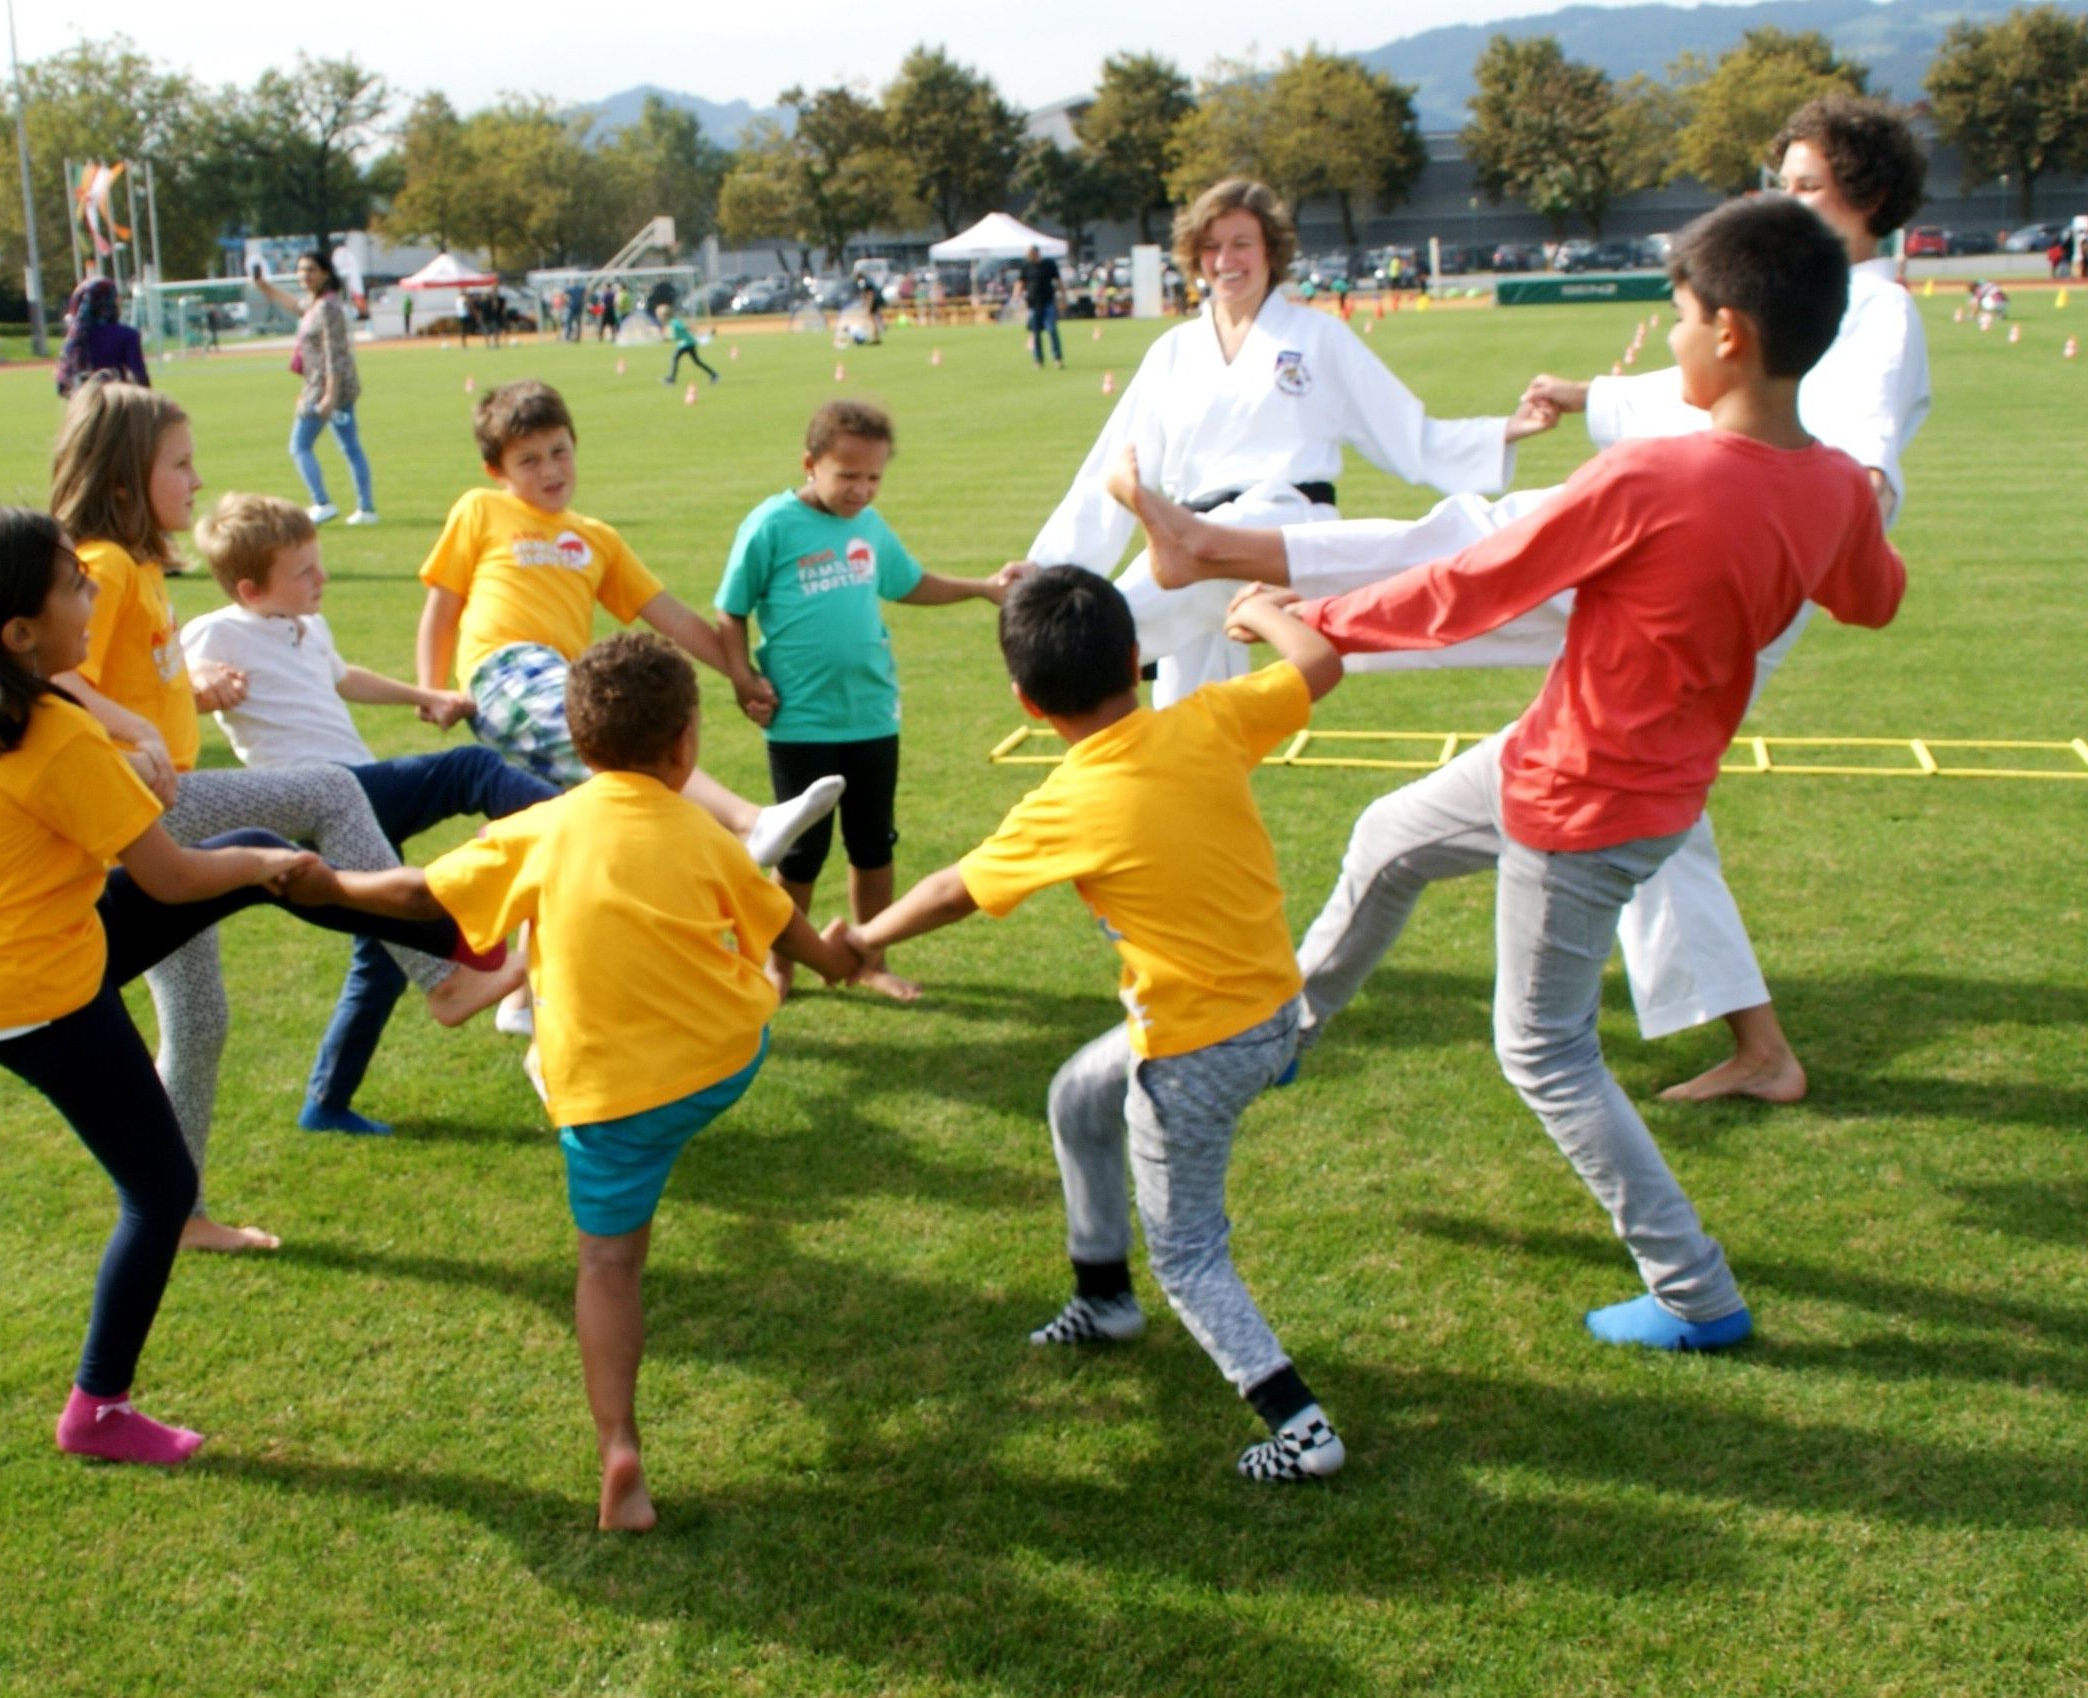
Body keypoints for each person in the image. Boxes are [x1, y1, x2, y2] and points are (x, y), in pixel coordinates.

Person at [1123, 93, 1933, 1106]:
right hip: (1696, 569)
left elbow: (1852, 475)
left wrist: (1311, 624)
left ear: (1866, 200)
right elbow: (1789, 466)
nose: (1784, 201)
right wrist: (1603, 403)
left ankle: (1221, 549)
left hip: (1695, 573)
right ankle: (1758, 1048)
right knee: (1618, 806)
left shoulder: (1869, 319)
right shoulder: (1779, 359)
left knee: (1478, 549)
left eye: (1806, 187)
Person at [1203, 195, 1907, 1351]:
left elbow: (1468, 589)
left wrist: (1303, 618)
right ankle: (1284, 1036)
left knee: (1543, 1052)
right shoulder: (1831, 486)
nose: (1670, 336)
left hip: (1580, 804)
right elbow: (1876, 598)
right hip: (1591, 768)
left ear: (1729, 332)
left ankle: (1695, 1293)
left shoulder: (1656, 476)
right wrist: (1843, 516)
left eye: (1677, 317)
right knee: (1388, 837)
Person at [0, 508, 475, 1465]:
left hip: (46, 950)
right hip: (39, 999)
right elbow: (171, 877)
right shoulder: (47, 732)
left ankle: (454, 957)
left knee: (250, 842)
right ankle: (96, 1411)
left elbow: (125, 796)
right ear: (20, 630)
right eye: (73, 587)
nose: (92, 596)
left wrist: (187, 804)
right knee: (161, 1189)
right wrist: (261, 871)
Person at [287, 633, 861, 1529]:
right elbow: (783, 923)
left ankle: (618, 1449)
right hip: (717, 1060)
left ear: (579, 742)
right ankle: (520, 1001)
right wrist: (834, 961)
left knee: (608, 1263)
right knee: (583, 980)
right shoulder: (707, 835)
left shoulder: (541, 827)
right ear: (685, 743)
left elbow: (420, 893)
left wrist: (333, 886)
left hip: (608, 1096)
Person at [839, 567, 1350, 1483]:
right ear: (1135, 656)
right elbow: (1320, 664)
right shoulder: (1209, 719)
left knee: (1188, 1256)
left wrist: (862, 939)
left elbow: (953, 888)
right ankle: (1103, 1299)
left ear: (1026, 703)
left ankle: (1303, 1431)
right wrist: (1260, 611)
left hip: (1195, 1049)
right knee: (1078, 1096)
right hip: (1272, 1009)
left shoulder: (1067, 801)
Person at [49, 381, 514, 1252]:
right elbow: (52, 674)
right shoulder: (103, 565)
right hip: (143, 813)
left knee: (199, 1021)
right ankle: (442, 975)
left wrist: (175, 701)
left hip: (157, 818)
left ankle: (176, 1214)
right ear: (122, 481)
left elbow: (133, 680)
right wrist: (134, 730)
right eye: (179, 464)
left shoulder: (137, 568)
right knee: (330, 790)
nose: (195, 480)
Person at [1015, 178, 1552, 707]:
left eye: (1241, 243)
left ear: (1270, 250)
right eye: (1212, 246)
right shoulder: (1173, 351)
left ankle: (1058, 665)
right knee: (1189, 712)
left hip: (1285, 524)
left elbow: (1406, 431)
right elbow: (1113, 468)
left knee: (1111, 624)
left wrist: (1501, 431)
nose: (1226, 260)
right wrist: (1047, 567)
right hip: (1190, 530)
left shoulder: (1318, 337)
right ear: (1195, 256)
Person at [182, 492, 561, 1134]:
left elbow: (342, 677)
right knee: (468, 770)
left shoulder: (309, 626)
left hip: (357, 804)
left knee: (383, 958)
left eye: (318, 563)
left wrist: (424, 694)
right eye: (304, 571)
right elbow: (178, 676)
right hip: (313, 797)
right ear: (249, 590)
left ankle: (325, 1104)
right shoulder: (217, 632)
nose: (322, 577)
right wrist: (200, 684)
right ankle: (585, 827)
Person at [413, 379, 842, 865]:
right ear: (496, 471)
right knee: (619, 738)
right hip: (506, 671)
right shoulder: (482, 508)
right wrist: (430, 689)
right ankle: (747, 822)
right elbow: (442, 608)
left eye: (559, 451)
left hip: (564, 677)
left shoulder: (597, 539)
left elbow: (674, 617)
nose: (550, 470)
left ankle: (708, 860)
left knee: (589, 819)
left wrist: (741, 674)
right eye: (528, 460)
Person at [713, 400, 1020, 1001]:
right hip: (801, 720)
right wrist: (742, 678)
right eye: (848, 475)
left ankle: (870, 958)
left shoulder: (870, 527)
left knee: (873, 844)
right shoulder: (772, 525)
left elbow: (908, 582)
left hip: (872, 714)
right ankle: (780, 967)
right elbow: (730, 609)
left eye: (874, 477)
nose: (861, 489)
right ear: (810, 465)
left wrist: (982, 589)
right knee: (800, 852)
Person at [252, 250, 377, 527]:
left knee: (299, 445)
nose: (304, 275)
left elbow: (335, 353)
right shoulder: (317, 303)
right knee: (350, 447)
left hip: (324, 388)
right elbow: (295, 305)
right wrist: (265, 287)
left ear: (325, 273)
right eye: (300, 270)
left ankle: (322, 503)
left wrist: (330, 395)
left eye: (311, 270)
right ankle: (366, 508)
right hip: (330, 387)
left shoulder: (327, 307)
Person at [54, 277, 149, 397]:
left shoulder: (74, 337)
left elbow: (62, 387)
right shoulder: (127, 335)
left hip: (83, 403)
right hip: (116, 401)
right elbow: (140, 377)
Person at [1023, 244, 1064, 370]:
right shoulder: (1027, 266)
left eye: (1029, 254)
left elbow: (1058, 281)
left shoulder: (1049, 264)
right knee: (1035, 333)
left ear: (1036, 253)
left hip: (1047, 303)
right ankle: (1038, 360)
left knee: (1052, 330)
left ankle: (1057, 358)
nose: (1027, 256)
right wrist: (1016, 297)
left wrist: (1063, 297)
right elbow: (1020, 282)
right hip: (1033, 305)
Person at [657, 304, 717, 386]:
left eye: (660, 316)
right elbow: (682, 332)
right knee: (696, 361)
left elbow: (678, 334)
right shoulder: (673, 322)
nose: (660, 318)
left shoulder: (674, 322)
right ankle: (714, 374)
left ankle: (671, 379)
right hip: (688, 343)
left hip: (686, 343)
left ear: (665, 315)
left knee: (675, 358)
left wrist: (667, 338)